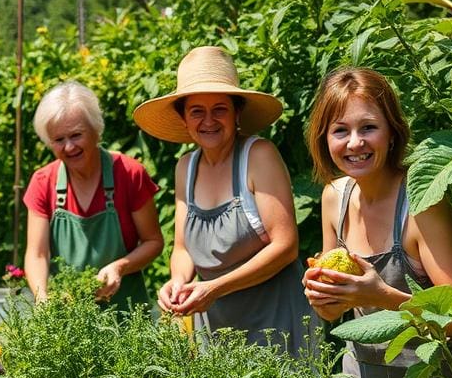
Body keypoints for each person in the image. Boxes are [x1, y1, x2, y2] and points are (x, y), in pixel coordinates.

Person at [302, 67, 452, 378]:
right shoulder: (335, 198)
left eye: (368, 128)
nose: (354, 142)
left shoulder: (421, 203)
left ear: (392, 132)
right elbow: (332, 313)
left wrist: (381, 296)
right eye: (340, 130)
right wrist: (322, 296)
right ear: (324, 139)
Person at [133, 46, 314, 356]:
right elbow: (181, 248)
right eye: (196, 111)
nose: (209, 121)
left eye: (219, 109)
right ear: (184, 118)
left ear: (236, 112)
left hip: (276, 325)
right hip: (215, 329)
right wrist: (178, 282)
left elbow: (285, 246)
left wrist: (214, 288)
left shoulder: (258, 156)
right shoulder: (185, 168)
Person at [23, 81, 163, 310]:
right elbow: (37, 254)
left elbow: (153, 242)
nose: (69, 147)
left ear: (96, 131)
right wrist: (42, 298)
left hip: (127, 314)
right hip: (66, 317)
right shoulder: (43, 182)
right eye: (58, 140)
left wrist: (119, 267)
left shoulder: (129, 174)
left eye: (76, 135)